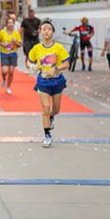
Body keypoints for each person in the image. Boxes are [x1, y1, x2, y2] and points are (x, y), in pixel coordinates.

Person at [28, 20, 70, 148]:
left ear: (53, 32)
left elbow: (66, 64)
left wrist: (56, 69)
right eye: (44, 29)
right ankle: (47, 135)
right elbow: (29, 61)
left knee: (56, 109)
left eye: (49, 29)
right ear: (40, 32)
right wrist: (33, 67)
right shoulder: (36, 48)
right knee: (46, 108)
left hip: (57, 81)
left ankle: (51, 117)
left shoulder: (59, 48)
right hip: (43, 81)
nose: (46, 31)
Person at [0, 17, 22, 95]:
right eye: (9, 23)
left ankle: (8, 87)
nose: (10, 24)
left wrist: (15, 42)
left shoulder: (16, 33)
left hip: (13, 54)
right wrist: (2, 44)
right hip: (4, 53)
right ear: (6, 24)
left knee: (11, 71)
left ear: (14, 24)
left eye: (12, 23)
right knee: (5, 71)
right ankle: (4, 79)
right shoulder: (2, 32)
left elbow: (19, 45)